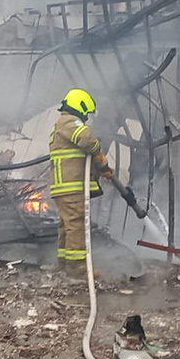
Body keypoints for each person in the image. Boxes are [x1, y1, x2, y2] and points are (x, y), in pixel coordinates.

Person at [49, 88, 111, 275]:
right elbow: (86, 140)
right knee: (76, 224)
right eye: (87, 114)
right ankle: (77, 268)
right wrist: (98, 149)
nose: (86, 119)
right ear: (80, 107)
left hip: (64, 187)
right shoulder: (69, 122)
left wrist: (102, 167)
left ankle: (63, 262)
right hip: (72, 186)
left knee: (67, 225)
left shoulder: (61, 125)